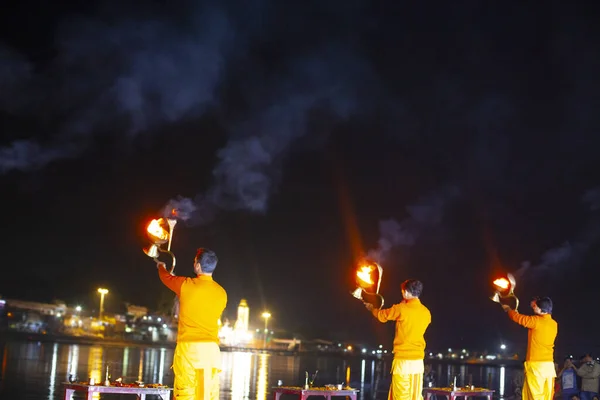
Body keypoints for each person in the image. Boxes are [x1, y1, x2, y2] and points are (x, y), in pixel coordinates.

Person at [157, 248, 227, 400]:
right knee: (206, 394)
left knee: (185, 392)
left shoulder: (185, 285)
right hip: (211, 351)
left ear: (198, 266)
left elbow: (166, 278)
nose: (194, 263)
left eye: (195, 261)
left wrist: (160, 266)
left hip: (190, 348)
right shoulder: (222, 293)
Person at [365, 279, 432, 400]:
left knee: (400, 396)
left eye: (402, 292)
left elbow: (382, 316)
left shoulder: (401, 308)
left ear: (406, 292)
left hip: (403, 361)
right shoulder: (426, 312)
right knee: (415, 396)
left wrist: (372, 309)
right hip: (418, 362)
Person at [502, 297, 558, 400]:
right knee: (547, 396)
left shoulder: (536, 321)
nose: (533, 308)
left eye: (535, 307)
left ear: (541, 310)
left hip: (536, 366)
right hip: (549, 366)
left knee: (534, 396)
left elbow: (518, 318)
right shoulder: (554, 324)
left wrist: (509, 310)